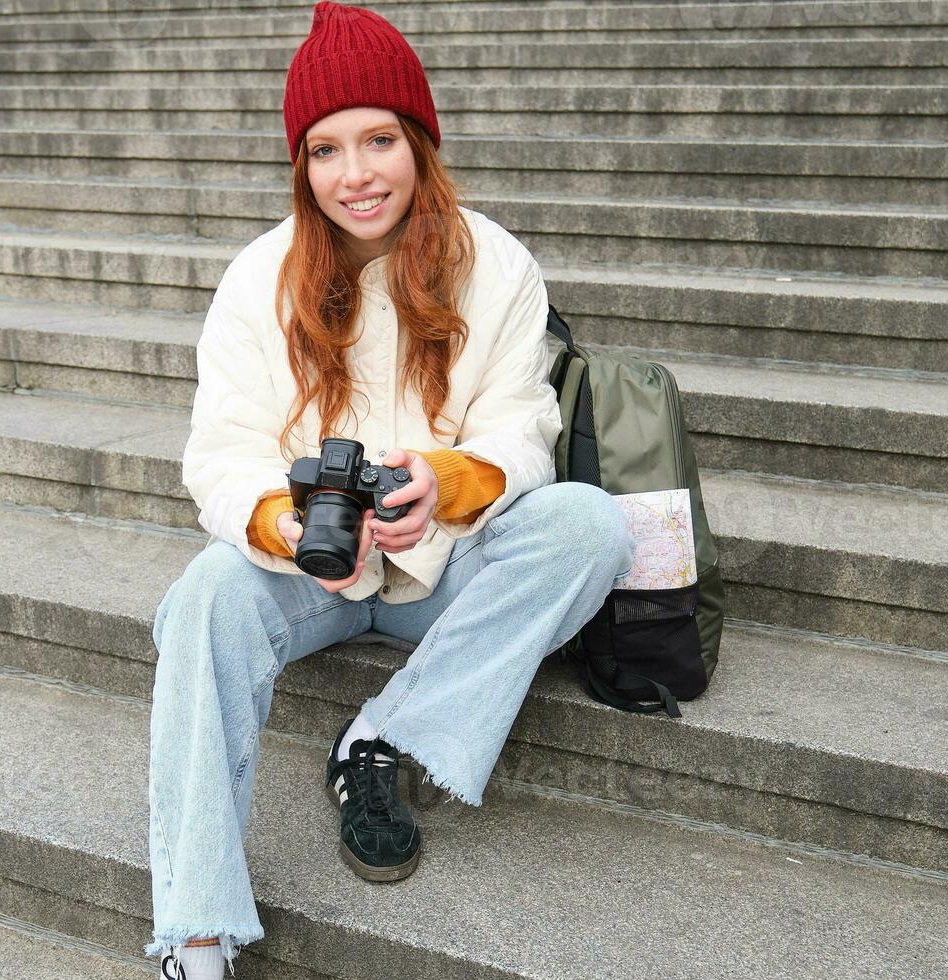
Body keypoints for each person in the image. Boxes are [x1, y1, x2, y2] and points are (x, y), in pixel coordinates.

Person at [145, 4, 636, 978]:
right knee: (202, 593)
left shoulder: (493, 264)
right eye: (325, 149)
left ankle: (382, 731)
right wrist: (281, 522)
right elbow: (219, 454)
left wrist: (448, 484)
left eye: (378, 140)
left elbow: (522, 431)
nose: (355, 173)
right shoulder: (257, 279)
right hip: (308, 577)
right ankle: (195, 934)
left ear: (418, 142)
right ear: (301, 165)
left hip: (444, 564)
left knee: (586, 523)